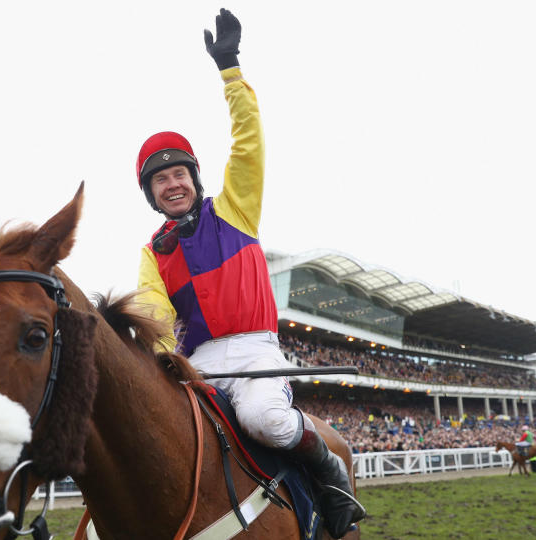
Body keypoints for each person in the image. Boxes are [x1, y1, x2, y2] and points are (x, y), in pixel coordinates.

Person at [134, 9, 365, 538]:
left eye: (179, 173)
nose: (172, 184)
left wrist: (230, 72)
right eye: (160, 180)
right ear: (151, 195)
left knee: (266, 421)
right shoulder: (152, 251)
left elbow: (248, 141)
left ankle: (329, 472)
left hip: (255, 350)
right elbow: (152, 310)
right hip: (197, 363)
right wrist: (163, 360)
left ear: (194, 177)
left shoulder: (235, 208)